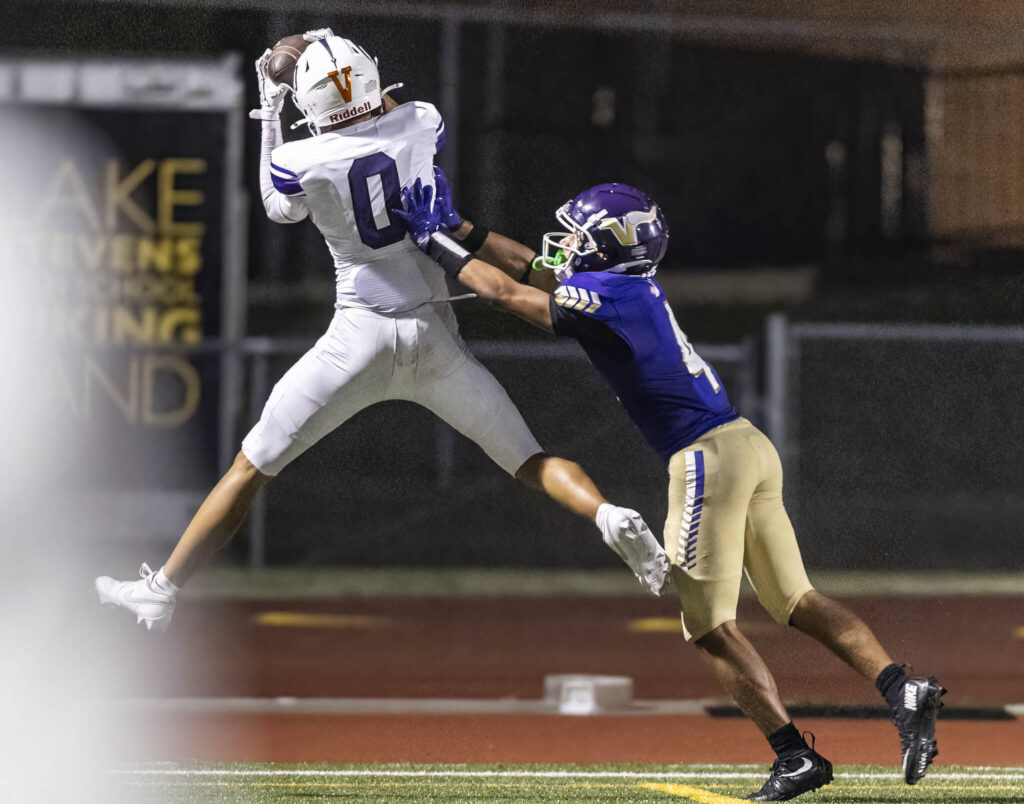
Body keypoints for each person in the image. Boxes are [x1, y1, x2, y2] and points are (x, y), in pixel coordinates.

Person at [393, 173, 946, 801]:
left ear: (607, 244)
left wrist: (432, 240)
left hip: (705, 456)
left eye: (578, 235)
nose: (565, 244)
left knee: (707, 624)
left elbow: (505, 292)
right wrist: (461, 228)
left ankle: (794, 756)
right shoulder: (625, 285)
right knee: (795, 600)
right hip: (746, 444)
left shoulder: (605, 295)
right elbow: (530, 266)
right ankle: (900, 686)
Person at [95, 33, 673, 633]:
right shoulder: (421, 121)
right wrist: (343, 68)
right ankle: (605, 514)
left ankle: (162, 588)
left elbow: (278, 205)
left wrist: (271, 107)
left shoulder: (300, 160)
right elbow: (390, 109)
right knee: (531, 461)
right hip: (434, 338)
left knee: (251, 467)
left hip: (358, 339)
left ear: (309, 106)